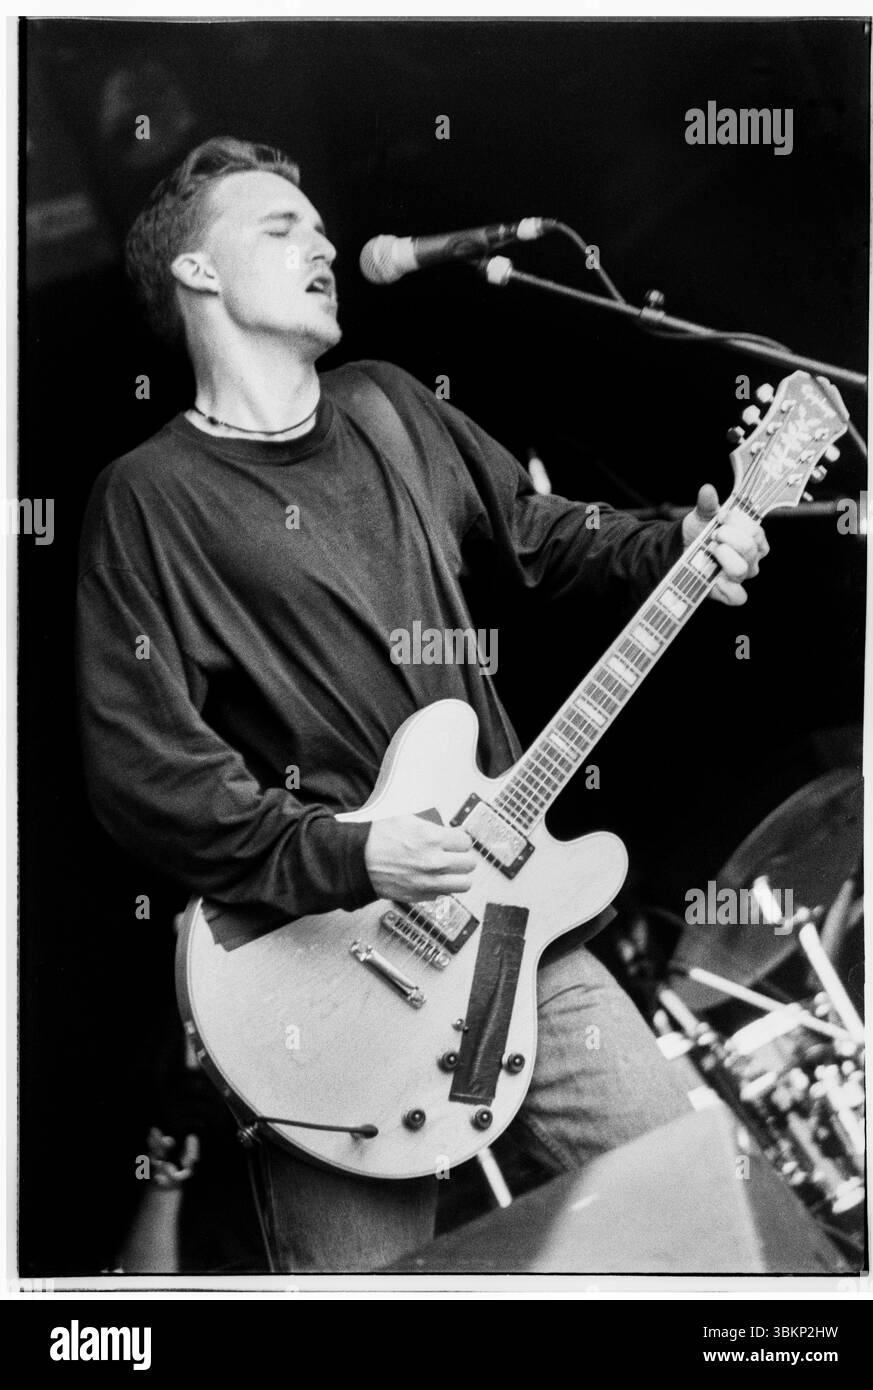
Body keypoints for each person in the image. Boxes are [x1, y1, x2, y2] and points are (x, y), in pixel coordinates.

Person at [76, 136, 768, 1273]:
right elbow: (143, 771)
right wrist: (353, 852)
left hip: (514, 930)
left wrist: (673, 543)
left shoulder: (392, 408)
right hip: (321, 979)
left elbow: (547, 542)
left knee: (709, 1229)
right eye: (280, 227)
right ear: (197, 273)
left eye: (320, 226)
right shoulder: (148, 499)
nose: (326, 244)